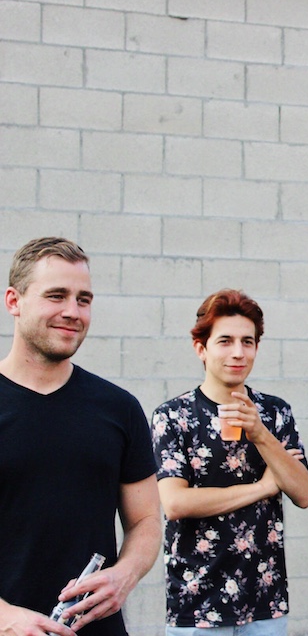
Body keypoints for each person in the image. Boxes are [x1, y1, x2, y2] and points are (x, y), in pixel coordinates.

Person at [0, 236, 161, 636]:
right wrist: (5, 617)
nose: (73, 312)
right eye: (57, 296)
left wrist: (123, 575)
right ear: (13, 301)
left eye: (83, 299)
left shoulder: (118, 408)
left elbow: (145, 521)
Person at [151, 289, 308, 635]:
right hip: (197, 604)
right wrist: (264, 487)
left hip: (264, 600)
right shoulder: (173, 416)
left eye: (248, 342)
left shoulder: (274, 412)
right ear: (202, 349)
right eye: (225, 341)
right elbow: (176, 502)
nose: (238, 352)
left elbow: (303, 493)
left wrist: (261, 435)